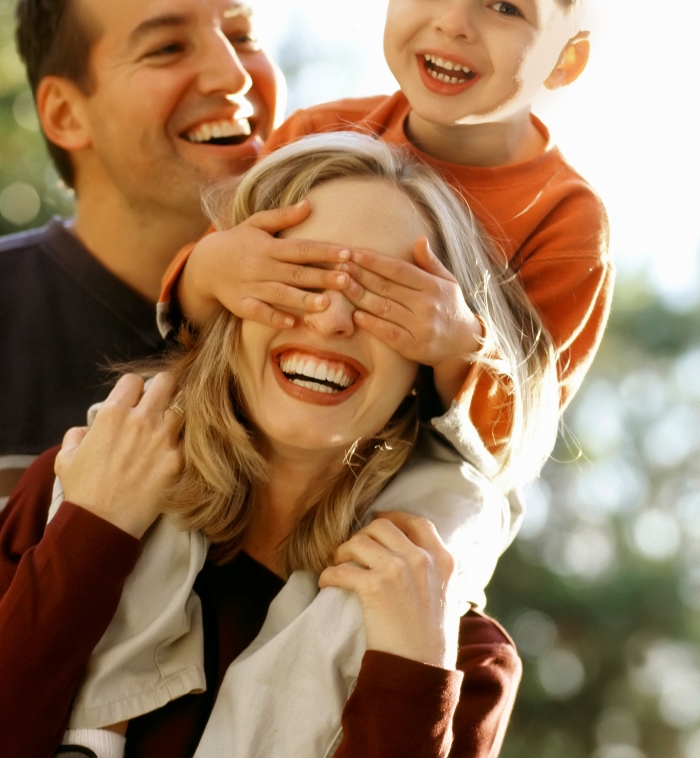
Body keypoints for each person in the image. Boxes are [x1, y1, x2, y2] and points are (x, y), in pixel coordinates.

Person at [0, 134, 557, 757]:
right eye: (295, 278)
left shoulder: (458, 653)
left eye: (384, 299)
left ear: (426, 371)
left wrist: (410, 680)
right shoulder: (75, 493)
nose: (330, 319)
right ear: (226, 307)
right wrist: (89, 538)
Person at [161, 0, 613, 459]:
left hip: (414, 476)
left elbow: (524, 435)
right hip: (255, 434)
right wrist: (209, 272)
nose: (454, 22)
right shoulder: (319, 134)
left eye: (505, 6)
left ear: (567, 61)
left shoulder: (566, 218)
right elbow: (196, 316)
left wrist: (457, 346)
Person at [0, 0, 286, 502]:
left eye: (243, 35)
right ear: (65, 113)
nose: (233, 75)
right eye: (167, 48)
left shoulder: (324, 328)